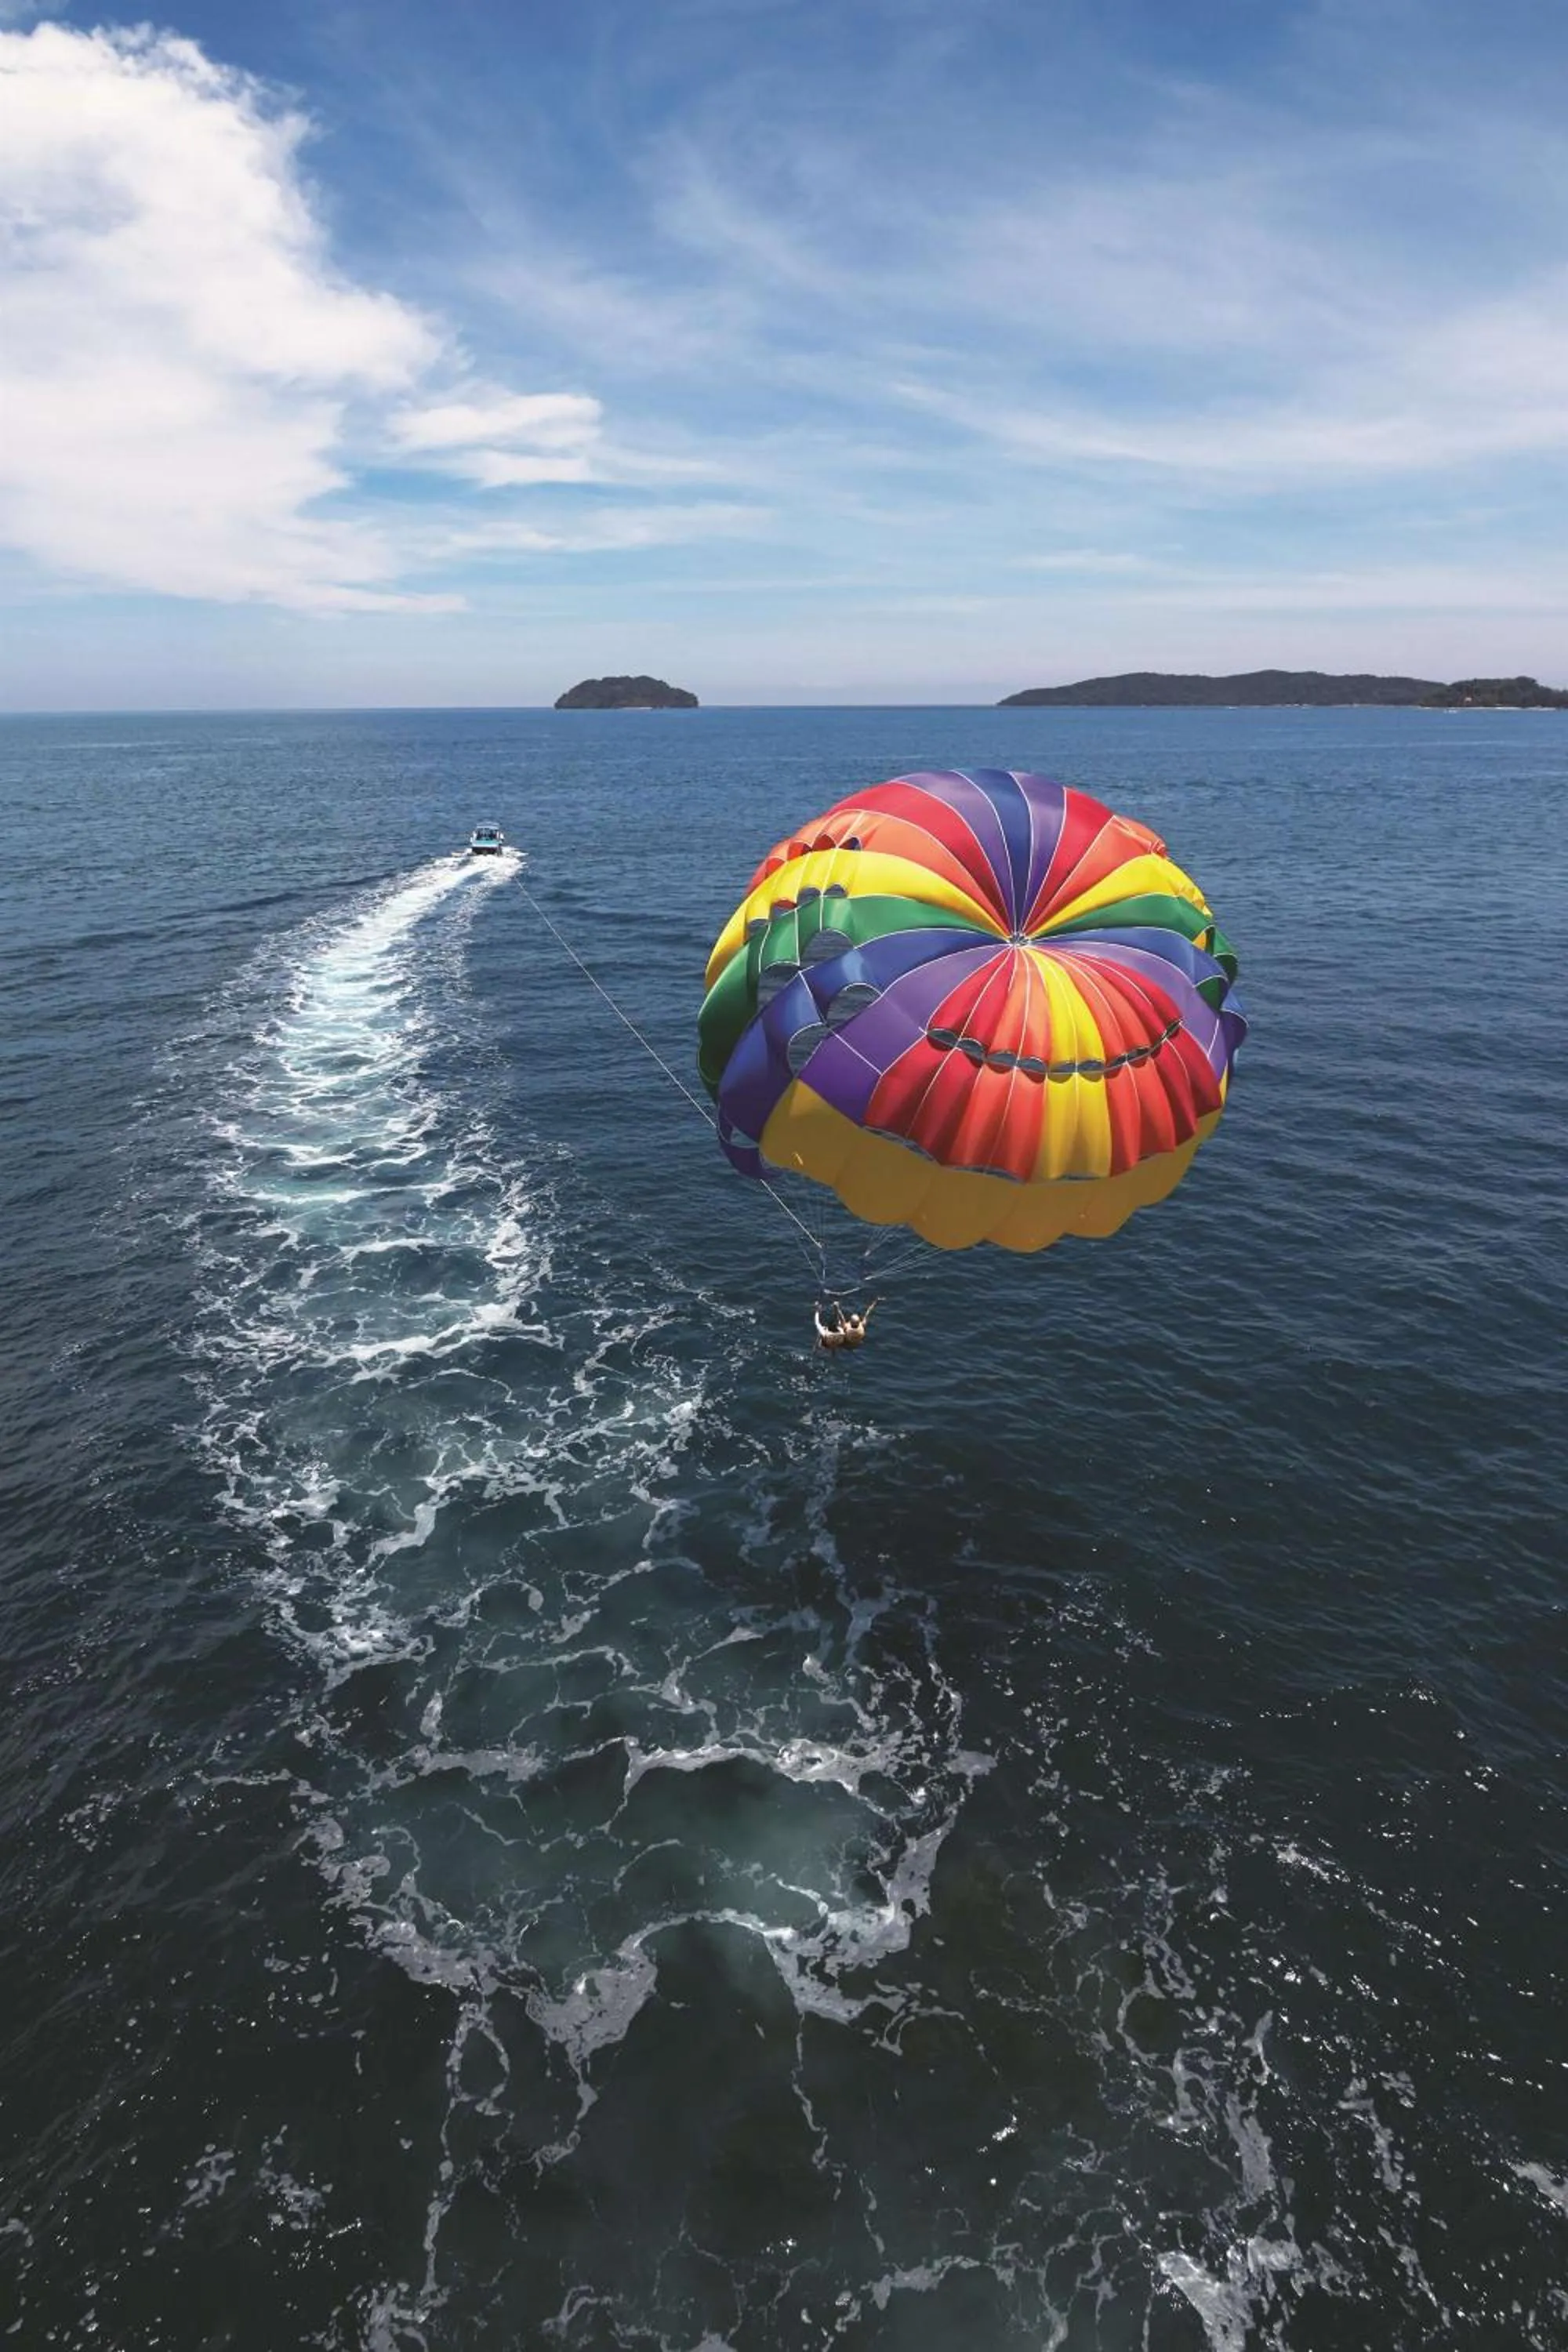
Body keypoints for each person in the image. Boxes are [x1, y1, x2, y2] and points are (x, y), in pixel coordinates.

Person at [813, 1298, 880, 1351]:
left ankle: (817, 1349)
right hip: (855, 1344)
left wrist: (837, 1308)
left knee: (837, 1325)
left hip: (844, 1344)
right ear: (859, 1322)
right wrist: (875, 1303)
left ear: (850, 1322)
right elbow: (868, 1313)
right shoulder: (862, 1326)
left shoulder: (847, 1328)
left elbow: (841, 1319)